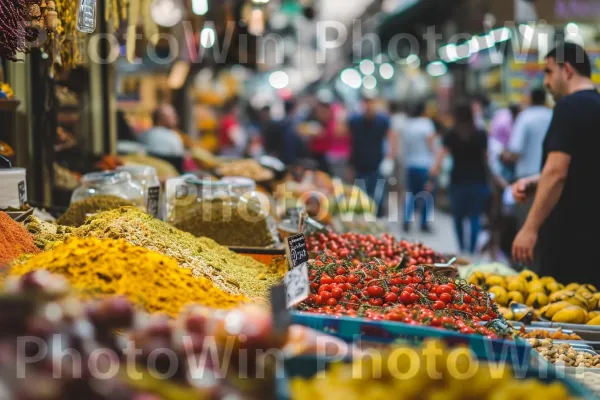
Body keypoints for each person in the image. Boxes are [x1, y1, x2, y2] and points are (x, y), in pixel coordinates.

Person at [512, 43, 600, 287]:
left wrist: (529, 228)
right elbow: (586, 169)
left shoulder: (568, 108)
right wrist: (536, 182)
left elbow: (557, 172)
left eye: (549, 72)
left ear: (568, 69)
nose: (547, 82)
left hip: (569, 239)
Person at [431, 103, 490, 255]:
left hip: (458, 180)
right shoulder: (480, 133)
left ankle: (462, 248)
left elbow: (442, 154)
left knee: (458, 217)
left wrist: (434, 171)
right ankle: (471, 249)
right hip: (478, 179)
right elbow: (487, 157)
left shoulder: (451, 134)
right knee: (475, 216)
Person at [347, 93, 397, 216]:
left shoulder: (383, 121)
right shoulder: (355, 120)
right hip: (359, 164)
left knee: (376, 195)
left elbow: (392, 138)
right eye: (366, 103)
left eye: (371, 103)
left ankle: (376, 216)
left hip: (376, 163)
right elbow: (347, 139)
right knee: (360, 196)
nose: (368, 106)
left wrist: (390, 158)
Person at [402, 102, 437, 233]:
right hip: (425, 164)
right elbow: (431, 144)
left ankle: (407, 220)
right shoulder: (426, 124)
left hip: (411, 164)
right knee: (426, 194)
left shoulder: (408, 125)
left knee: (411, 193)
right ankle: (424, 223)